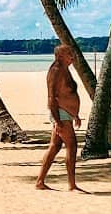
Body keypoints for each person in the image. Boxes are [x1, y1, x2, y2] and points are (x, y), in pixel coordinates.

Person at [35, 44, 85, 192]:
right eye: (69, 53)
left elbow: (67, 94)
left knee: (55, 146)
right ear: (60, 55)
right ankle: (72, 185)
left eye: (72, 53)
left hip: (66, 114)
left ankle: (40, 182)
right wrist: (57, 121)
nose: (72, 56)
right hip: (60, 114)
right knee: (72, 146)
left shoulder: (65, 69)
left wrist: (75, 114)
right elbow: (51, 97)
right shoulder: (55, 71)